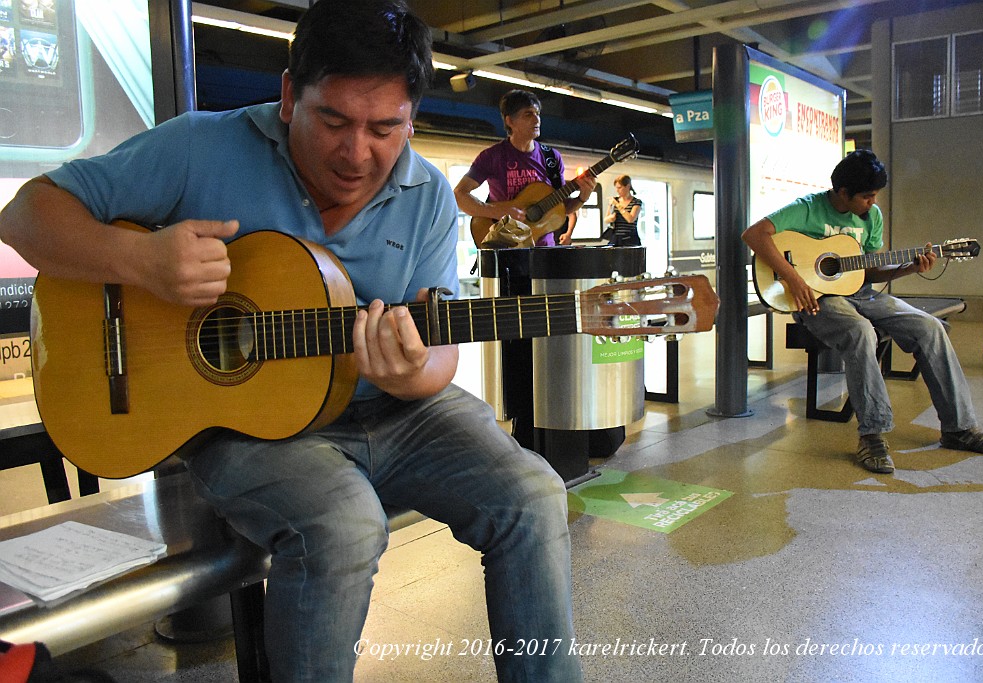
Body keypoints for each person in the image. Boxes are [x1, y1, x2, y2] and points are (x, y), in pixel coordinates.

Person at [0, 2, 583, 681]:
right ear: (287, 96)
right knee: (342, 524)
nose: (356, 151)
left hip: (399, 412)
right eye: (333, 120)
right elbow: (25, 214)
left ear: (412, 121)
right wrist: (142, 262)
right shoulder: (200, 147)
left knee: (534, 493)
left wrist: (414, 370)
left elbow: (441, 342)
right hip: (254, 432)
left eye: (385, 128)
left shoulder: (428, 193)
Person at [742, 149, 983, 474]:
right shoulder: (808, 208)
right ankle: (872, 434)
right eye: (867, 197)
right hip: (817, 299)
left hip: (862, 293)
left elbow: (867, 271)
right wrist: (794, 278)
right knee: (860, 332)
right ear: (843, 192)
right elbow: (754, 234)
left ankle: (959, 429)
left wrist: (908, 269)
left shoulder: (871, 217)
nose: (872, 203)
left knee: (930, 328)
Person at [453, 88, 596, 247]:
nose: (536, 120)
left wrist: (582, 197)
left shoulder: (552, 158)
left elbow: (561, 208)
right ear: (510, 121)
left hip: (543, 252)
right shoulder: (492, 156)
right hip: (506, 248)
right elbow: (459, 194)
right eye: (528, 114)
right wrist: (495, 211)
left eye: (537, 114)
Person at [603, 174, 642, 246]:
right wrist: (611, 218)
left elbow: (630, 219)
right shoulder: (615, 200)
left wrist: (618, 205)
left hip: (630, 238)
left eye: (619, 188)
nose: (617, 190)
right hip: (616, 237)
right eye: (616, 188)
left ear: (627, 187)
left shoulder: (636, 202)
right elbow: (606, 219)